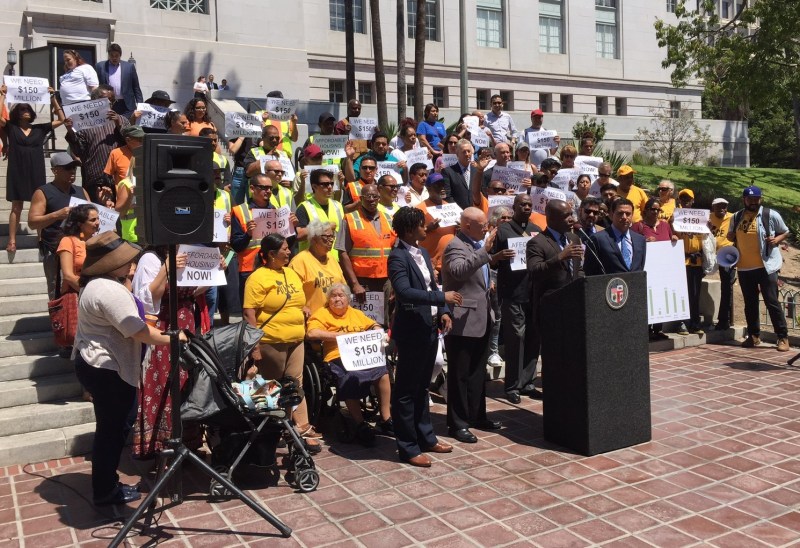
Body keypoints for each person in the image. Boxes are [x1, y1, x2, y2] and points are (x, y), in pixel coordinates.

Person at [73, 232, 186, 506]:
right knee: (113, 431)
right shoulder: (109, 290)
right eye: (124, 260)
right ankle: (106, 491)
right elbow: (137, 330)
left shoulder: (98, 285)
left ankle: (106, 483)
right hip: (107, 368)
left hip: (97, 364)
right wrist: (174, 337)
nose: (131, 264)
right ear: (111, 263)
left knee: (110, 429)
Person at [388, 206, 459, 467]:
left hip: (429, 327)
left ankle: (426, 437)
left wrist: (442, 310)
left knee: (421, 387)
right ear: (409, 229)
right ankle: (407, 447)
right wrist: (442, 298)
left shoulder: (424, 253)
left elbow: (431, 285)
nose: (425, 227)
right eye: (421, 224)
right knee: (406, 391)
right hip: (411, 330)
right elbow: (405, 292)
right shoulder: (397, 257)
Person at [243, 234, 321, 452]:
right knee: (267, 386)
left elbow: (298, 300)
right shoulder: (258, 278)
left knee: (295, 384)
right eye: (284, 249)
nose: (289, 252)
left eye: (289, 248)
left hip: (296, 340)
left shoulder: (291, 273)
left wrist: (303, 309)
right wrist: (254, 346)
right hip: (270, 342)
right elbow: (250, 313)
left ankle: (301, 429)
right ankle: (264, 432)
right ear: (270, 254)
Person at [131, 245, 209, 459]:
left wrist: (212, 273)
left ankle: (188, 442)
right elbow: (147, 296)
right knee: (164, 381)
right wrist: (167, 267)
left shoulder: (188, 253)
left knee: (186, 381)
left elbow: (192, 291)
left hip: (187, 324)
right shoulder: (151, 259)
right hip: (163, 328)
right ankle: (159, 443)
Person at [442, 208, 504, 444]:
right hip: (463, 318)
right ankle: (457, 424)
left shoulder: (476, 244)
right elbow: (458, 271)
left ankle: (477, 415)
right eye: (482, 224)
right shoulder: (455, 245)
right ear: (467, 226)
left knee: (478, 372)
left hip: (482, 315)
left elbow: (476, 276)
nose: (487, 227)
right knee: (460, 374)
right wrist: (484, 251)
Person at [306, 284, 393, 446]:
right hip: (337, 357)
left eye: (341, 296)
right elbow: (312, 333)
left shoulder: (356, 313)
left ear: (348, 299)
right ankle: (359, 423)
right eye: (334, 296)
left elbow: (374, 325)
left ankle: (386, 418)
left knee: (383, 370)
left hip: (362, 356)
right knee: (350, 376)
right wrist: (339, 335)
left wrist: (380, 333)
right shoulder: (322, 314)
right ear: (328, 299)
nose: (337, 299)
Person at [0, 86, 65, 254]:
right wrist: (2, 95)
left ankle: (41, 238)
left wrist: (52, 98)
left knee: (40, 207)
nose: (25, 111)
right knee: (16, 206)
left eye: (28, 109)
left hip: (36, 169)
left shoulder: (40, 128)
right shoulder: (11, 127)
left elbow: (62, 119)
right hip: (17, 169)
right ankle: (12, 240)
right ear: (17, 113)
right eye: (22, 109)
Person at [726, 186, 790, 351]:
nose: (753, 202)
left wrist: (777, 240)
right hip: (745, 267)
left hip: (766, 266)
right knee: (750, 303)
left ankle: (782, 337)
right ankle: (754, 336)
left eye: (756, 199)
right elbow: (730, 235)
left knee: (772, 301)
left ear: (760, 199)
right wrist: (730, 236)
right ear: (744, 200)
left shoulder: (770, 215)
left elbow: (785, 231)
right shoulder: (737, 216)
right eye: (750, 199)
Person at [526, 200, 584, 372]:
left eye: (572, 214)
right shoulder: (537, 242)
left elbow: (578, 269)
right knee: (554, 356)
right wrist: (559, 258)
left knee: (572, 353)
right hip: (550, 309)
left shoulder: (574, 238)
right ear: (551, 218)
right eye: (566, 216)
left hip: (573, 307)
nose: (571, 219)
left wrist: (581, 284)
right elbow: (534, 271)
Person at [495, 194, 542, 403]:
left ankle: (528, 381)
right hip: (513, 292)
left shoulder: (537, 230)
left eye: (529, 205)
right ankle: (512, 385)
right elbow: (493, 261)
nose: (526, 207)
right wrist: (501, 257)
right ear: (514, 207)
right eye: (522, 204)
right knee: (516, 338)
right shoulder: (503, 230)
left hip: (534, 292)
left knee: (534, 337)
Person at [28, 153, 90, 299]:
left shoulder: (81, 191)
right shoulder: (43, 192)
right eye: (68, 168)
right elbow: (32, 222)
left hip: (81, 249)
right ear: (55, 170)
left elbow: (93, 216)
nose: (72, 171)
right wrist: (57, 215)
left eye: (74, 168)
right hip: (54, 250)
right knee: (57, 289)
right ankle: (59, 321)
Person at [64, 85, 129, 206]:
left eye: (112, 100)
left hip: (120, 178)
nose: (109, 103)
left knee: (120, 214)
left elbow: (131, 142)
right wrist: (70, 130)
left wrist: (118, 123)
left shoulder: (122, 120)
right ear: (94, 102)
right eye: (105, 100)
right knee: (96, 215)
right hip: (95, 177)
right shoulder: (83, 123)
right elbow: (78, 150)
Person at [336, 183, 396, 304]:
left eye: (375, 196)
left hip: (386, 280)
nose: (372, 200)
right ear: (361, 198)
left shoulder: (389, 219)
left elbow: (395, 252)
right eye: (368, 196)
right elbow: (343, 253)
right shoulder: (350, 219)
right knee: (363, 320)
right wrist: (355, 284)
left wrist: (395, 282)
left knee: (385, 319)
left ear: (379, 198)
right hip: (362, 281)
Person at [632, 198, 677, 340]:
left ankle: (658, 329)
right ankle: (645, 330)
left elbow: (671, 241)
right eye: (653, 209)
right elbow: (630, 243)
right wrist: (643, 241)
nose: (656, 212)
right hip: (646, 268)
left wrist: (674, 238)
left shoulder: (665, 225)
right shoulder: (637, 227)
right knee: (647, 298)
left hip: (662, 269)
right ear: (646, 211)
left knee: (660, 297)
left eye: (658, 210)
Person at [231, 174, 278, 305]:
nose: (268, 191)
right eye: (264, 187)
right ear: (252, 188)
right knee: (250, 311)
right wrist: (248, 234)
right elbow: (236, 245)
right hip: (249, 269)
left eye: (270, 188)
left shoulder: (276, 211)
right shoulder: (240, 211)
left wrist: (292, 228)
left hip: (272, 267)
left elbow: (283, 243)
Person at [289, 220, 345, 315]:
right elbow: (291, 295)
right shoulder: (299, 261)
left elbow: (343, 287)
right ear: (314, 239)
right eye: (326, 237)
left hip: (336, 318)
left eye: (332, 236)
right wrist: (302, 307)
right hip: (313, 319)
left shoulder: (331, 258)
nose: (331, 240)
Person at [584, 198, 646, 275]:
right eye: (620, 213)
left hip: (634, 285)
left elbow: (640, 267)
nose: (624, 217)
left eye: (628, 214)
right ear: (611, 214)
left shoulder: (640, 240)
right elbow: (590, 271)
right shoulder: (597, 239)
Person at [674, 189, 706, 336]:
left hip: (697, 261)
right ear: (679, 200)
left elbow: (706, 239)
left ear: (693, 200)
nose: (686, 201)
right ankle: (682, 323)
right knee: (682, 294)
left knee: (695, 294)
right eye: (683, 198)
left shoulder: (700, 218)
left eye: (688, 199)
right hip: (681, 260)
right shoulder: (676, 217)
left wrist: (708, 227)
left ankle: (695, 323)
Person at [295, 168, 345, 256]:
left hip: (336, 260)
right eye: (325, 184)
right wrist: (326, 227)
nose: (329, 187)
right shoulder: (304, 207)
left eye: (331, 184)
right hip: (313, 260)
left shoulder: (338, 206)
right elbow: (300, 235)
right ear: (314, 186)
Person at [415, 173, 457, 273]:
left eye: (443, 184)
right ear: (428, 188)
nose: (442, 188)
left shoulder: (451, 207)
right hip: (432, 265)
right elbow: (413, 235)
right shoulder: (420, 209)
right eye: (437, 185)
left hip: (451, 264)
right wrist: (428, 228)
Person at [95, 44, 143, 116]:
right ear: (108, 55)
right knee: (112, 126)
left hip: (127, 105)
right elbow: (96, 86)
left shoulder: (129, 67)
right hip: (108, 104)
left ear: (120, 55)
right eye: (112, 55)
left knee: (128, 126)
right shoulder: (100, 66)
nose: (114, 58)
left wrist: (140, 105)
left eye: (116, 55)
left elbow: (136, 87)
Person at [709, 197, 735, 330]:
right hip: (709, 254)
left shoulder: (733, 218)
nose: (722, 208)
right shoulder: (708, 218)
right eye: (718, 206)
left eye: (724, 206)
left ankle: (724, 320)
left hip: (727, 255)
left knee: (727, 287)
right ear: (713, 208)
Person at [441, 139, 478, 210]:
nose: (467, 154)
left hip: (476, 213)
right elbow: (448, 196)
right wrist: (459, 211)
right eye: (464, 152)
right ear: (457, 154)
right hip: (458, 214)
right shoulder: (448, 172)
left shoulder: (477, 171)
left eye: (469, 151)